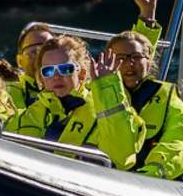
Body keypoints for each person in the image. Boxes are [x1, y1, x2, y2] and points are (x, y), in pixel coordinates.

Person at [13, 37, 145, 169]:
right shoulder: (33, 113)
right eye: (48, 71)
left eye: (65, 69)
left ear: (81, 74)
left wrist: (107, 86)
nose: (56, 76)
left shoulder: (107, 108)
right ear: (41, 78)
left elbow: (122, 157)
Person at [107, 30, 183, 179]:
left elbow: (178, 140)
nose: (129, 63)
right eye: (120, 58)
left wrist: (151, 173)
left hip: (149, 181)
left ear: (149, 61)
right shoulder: (96, 95)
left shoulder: (169, 100)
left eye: (136, 57)